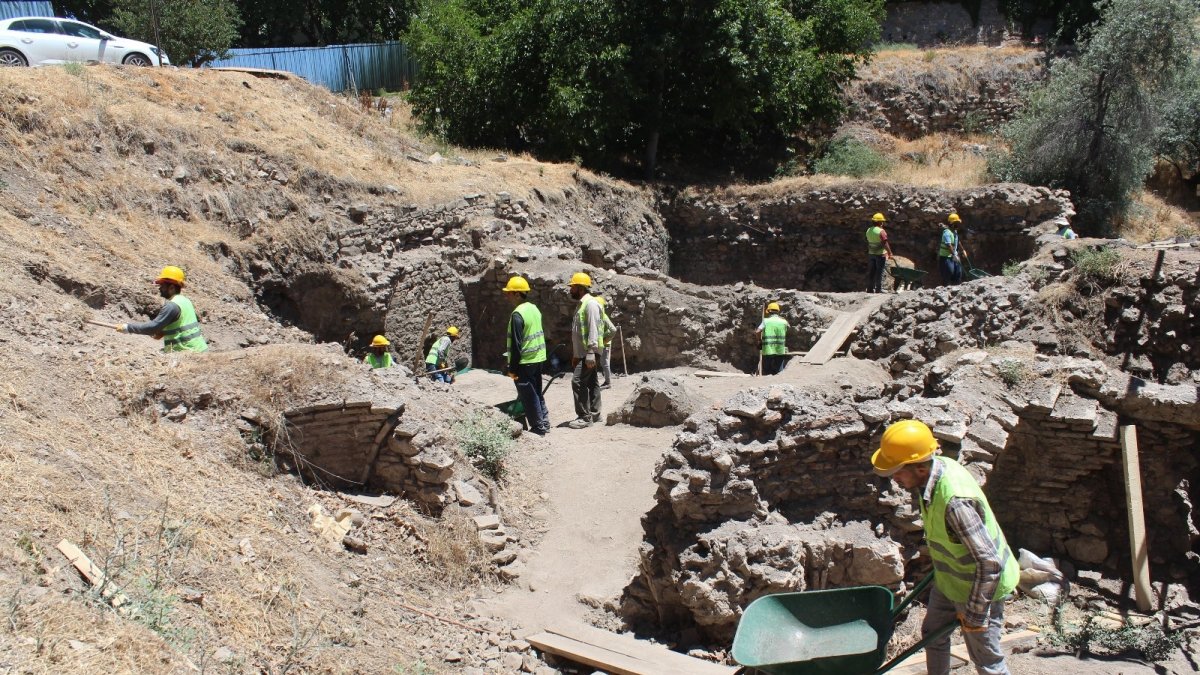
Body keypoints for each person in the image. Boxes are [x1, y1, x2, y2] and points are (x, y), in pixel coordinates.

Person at [871, 419, 1020, 675]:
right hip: (951, 580)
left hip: (981, 587)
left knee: (986, 659)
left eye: (897, 470)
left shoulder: (955, 503)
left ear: (918, 468)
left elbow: (989, 562)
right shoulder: (933, 472)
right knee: (933, 635)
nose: (894, 478)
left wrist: (975, 613)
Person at [116, 266, 208, 352]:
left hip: (188, 353)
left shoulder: (171, 306)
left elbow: (152, 328)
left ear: (171, 287)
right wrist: (163, 332)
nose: (159, 288)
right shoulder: (185, 300)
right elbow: (182, 323)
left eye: (162, 286)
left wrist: (128, 328)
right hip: (200, 350)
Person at [503, 276, 550, 436]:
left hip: (525, 362)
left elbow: (516, 345)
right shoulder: (533, 308)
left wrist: (512, 369)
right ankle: (545, 422)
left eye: (509, 293)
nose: (507, 296)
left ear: (517, 294)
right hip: (538, 358)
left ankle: (538, 428)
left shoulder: (517, 315)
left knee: (529, 396)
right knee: (537, 392)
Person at [567, 271, 603, 429]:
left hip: (589, 352)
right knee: (592, 381)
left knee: (578, 381)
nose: (570, 290)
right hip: (583, 353)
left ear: (580, 288)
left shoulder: (591, 304)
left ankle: (584, 417)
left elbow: (593, 329)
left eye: (573, 287)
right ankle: (595, 413)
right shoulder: (582, 305)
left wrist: (590, 352)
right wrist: (576, 354)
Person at [755, 301, 790, 375]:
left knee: (767, 370)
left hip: (768, 348)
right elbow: (788, 327)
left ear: (769, 311)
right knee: (779, 370)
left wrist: (759, 340)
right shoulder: (784, 321)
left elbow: (757, 332)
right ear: (778, 311)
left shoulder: (766, 321)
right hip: (780, 348)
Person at [865, 213, 895, 293]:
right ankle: (879, 289)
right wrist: (890, 253)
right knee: (879, 272)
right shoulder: (881, 231)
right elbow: (885, 243)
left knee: (871, 271)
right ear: (880, 222)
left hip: (871, 253)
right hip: (880, 254)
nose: (883, 223)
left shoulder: (868, 230)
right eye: (882, 221)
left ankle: (869, 289)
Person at [937, 213, 969, 286]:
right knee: (948, 273)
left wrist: (963, 250)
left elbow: (958, 241)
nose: (958, 225)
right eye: (956, 223)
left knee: (958, 273)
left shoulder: (955, 232)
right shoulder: (947, 233)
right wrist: (954, 255)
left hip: (954, 256)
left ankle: (956, 289)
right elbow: (949, 245)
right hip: (946, 258)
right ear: (952, 223)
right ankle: (945, 289)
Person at [596, 295, 618, 389]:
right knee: (602, 362)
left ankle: (608, 382)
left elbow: (613, 329)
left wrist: (604, 338)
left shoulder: (603, 317)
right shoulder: (599, 317)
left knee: (604, 363)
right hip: (601, 343)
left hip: (604, 344)